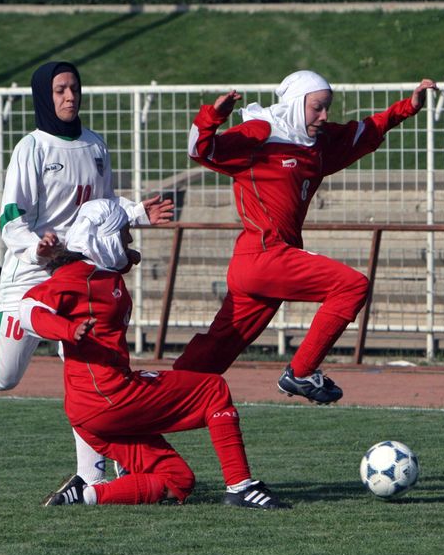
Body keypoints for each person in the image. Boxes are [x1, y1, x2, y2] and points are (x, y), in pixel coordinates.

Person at [0, 61, 173, 488]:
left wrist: (139, 213)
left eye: (74, 88)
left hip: (76, 274)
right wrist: (38, 247)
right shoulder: (30, 149)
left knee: (84, 362)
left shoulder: (95, 145)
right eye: (60, 90)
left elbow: (103, 207)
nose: (70, 97)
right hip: (30, 274)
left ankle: (90, 477)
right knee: (2, 377)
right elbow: (12, 220)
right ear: (43, 96)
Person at [174, 71, 438, 403]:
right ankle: (300, 373)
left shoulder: (317, 142)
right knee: (351, 285)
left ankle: (153, 401)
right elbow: (199, 150)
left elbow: (365, 130)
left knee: (213, 353)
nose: (324, 116)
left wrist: (408, 107)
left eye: (327, 107)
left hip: (261, 265)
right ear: (297, 104)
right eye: (317, 107)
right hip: (265, 254)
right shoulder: (261, 132)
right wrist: (214, 116)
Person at [18, 198, 289, 509]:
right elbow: (28, 309)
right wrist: (68, 330)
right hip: (110, 397)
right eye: (123, 233)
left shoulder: (97, 273)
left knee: (178, 481)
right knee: (212, 388)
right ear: (104, 238)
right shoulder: (80, 275)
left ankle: (85, 496)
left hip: (88, 414)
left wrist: (125, 254)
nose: (129, 239)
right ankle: (241, 485)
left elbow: (103, 281)